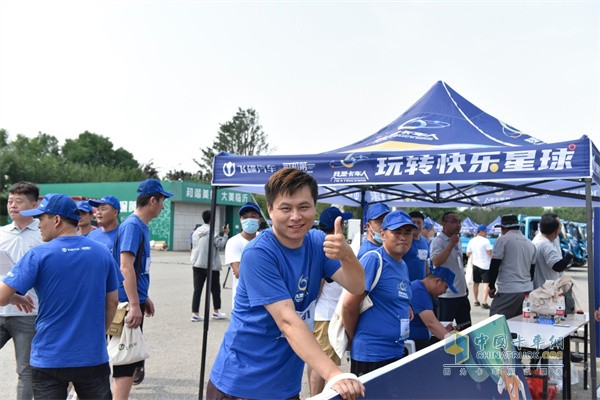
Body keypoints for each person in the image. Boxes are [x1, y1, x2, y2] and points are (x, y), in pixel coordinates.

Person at [208, 168, 365, 400]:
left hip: (285, 386)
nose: (296, 216)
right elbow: (287, 321)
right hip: (242, 385)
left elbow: (357, 286)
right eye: (286, 208)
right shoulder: (259, 253)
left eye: (303, 207)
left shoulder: (317, 242)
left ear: (314, 207)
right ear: (270, 210)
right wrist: (335, 374)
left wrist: (347, 255)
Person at [0, 194, 119, 399]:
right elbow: (113, 301)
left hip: (49, 357)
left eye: (41, 218)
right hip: (91, 355)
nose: (38, 225)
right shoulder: (101, 252)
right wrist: (97, 335)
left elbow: (1, 297)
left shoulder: (38, 255)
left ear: (56, 220)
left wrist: (13, 298)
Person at [112, 178, 173, 399]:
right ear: (153, 200)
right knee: (125, 360)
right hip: (123, 304)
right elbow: (126, 267)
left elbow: (138, 269)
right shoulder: (132, 226)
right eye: (162, 201)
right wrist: (134, 304)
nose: (163, 206)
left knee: (128, 358)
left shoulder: (140, 226)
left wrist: (143, 297)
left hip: (131, 300)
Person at [343, 210, 416, 376]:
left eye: (408, 232)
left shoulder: (402, 265)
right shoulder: (374, 259)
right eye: (397, 232)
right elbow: (348, 306)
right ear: (382, 234)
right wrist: (357, 339)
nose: (403, 237)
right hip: (372, 354)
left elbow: (393, 296)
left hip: (395, 350)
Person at [0, 182, 42, 399]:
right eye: (10, 201)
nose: (12, 205)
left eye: (19, 201)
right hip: (0, 308)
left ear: (34, 205)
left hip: (28, 313)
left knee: (25, 370)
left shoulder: (43, 234)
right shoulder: (1, 233)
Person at [308, 206, 352, 396]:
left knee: (315, 361)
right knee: (324, 363)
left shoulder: (323, 245)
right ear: (338, 224)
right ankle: (317, 397)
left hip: (321, 315)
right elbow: (317, 285)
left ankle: (313, 395)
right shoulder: (328, 249)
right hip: (325, 316)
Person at [488, 214, 536, 319]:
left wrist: (491, 286)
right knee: (518, 322)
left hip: (509, 289)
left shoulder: (503, 240)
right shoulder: (530, 243)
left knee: (496, 321)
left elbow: (494, 264)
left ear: (504, 228)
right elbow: (532, 270)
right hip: (527, 289)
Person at [430, 211, 471, 327]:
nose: (458, 225)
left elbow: (458, 265)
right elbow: (436, 262)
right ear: (444, 224)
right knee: (444, 329)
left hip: (461, 293)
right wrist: (450, 245)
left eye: (459, 222)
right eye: (453, 222)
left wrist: (464, 285)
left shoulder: (457, 240)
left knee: (465, 328)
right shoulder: (438, 241)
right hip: (446, 295)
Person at [190, 210, 229, 321]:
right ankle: (216, 312)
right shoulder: (212, 232)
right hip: (210, 265)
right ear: (212, 219)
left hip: (197, 264)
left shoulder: (196, 231)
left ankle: (195, 314)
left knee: (197, 290)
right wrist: (225, 234)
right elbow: (220, 244)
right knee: (215, 289)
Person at [224, 202, 262, 311]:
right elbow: (239, 273)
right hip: (244, 301)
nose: (249, 220)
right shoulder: (234, 242)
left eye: (253, 217)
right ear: (240, 220)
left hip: (265, 298)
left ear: (260, 220)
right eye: (245, 217)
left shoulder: (265, 239)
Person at [409, 267, 457, 351]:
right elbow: (431, 323)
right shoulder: (418, 291)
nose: (445, 291)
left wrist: (443, 330)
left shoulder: (422, 289)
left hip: (421, 339)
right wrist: (454, 344)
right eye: (446, 287)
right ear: (438, 281)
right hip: (414, 343)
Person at [532, 214, 573, 290]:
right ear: (555, 231)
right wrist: (570, 255)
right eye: (559, 225)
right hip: (547, 288)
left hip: (541, 286)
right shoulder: (546, 245)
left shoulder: (538, 241)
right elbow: (558, 266)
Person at [466, 224, 493, 309]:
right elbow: (489, 253)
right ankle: (484, 302)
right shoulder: (486, 241)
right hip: (485, 265)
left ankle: (475, 300)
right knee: (486, 283)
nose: (486, 233)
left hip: (475, 264)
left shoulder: (471, 241)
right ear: (481, 232)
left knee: (476, 283)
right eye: (485, 231)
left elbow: (468, 253)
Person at [403, 210, 430, 281]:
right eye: (413, 222)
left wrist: (427, 278)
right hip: (405, 283)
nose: (416, 225)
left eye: (419, 223)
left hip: (421, 284)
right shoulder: (403, 240)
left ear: (423, 224)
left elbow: (426, 262)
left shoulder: (425, 241)